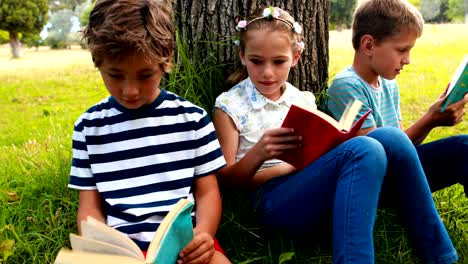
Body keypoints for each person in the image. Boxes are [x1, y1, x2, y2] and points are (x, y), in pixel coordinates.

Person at [213, 5, 458, 264]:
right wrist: (260, 153)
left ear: (295, 57)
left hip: (314, 187)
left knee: (389, 138)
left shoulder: (301, 100)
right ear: (242, 55)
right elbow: (227, 181)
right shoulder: (231, 106)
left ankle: (440, 256)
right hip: (273, 200)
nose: (267, 72)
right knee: (365, 148)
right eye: (256, 61)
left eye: (278, 61)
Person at [68, 1, 231, 263]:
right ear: (98, 63)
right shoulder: (89, 127)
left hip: (182, 246)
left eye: (145, 75)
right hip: (123, 251)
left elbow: (208, 192)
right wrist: (96, 245)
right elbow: (89, 207)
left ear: (165, 60)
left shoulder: (192, 119)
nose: (130, 91)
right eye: (115, 75)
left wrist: (204, 235)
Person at [326, 0, 468, 197]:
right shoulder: (346, 87)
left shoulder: (388, 83)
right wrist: (429, 119)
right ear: (368, 45)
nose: (407, 60)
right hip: (373, 182)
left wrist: (434, 119)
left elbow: (404, 146)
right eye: (402, 50)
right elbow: (374, 155)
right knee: (463, 147)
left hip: (397, 168)